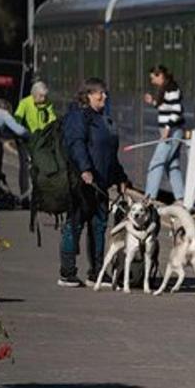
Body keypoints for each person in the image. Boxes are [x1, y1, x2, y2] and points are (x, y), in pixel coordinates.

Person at [59, 78, 129, 287]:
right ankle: (67, 273)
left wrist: (121, 178)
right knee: (75, 225)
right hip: (81, 182)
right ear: (88, 95)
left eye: (105, 93)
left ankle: (96, 272)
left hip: (100, 183)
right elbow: (76, 144)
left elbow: (109, 155)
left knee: (98, 227)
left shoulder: (103, 120)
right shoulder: (77, 117)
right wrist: (85, 169)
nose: (104, 97)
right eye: (100, 93)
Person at [143, 65, 185, 204]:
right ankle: (180, 198)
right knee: (172, 165)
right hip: (171, 131)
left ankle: (149, 197)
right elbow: (167, 108)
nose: (152, 81)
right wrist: (154, 102)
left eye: (153, 78)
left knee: (156, 163)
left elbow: (177, 111)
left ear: (160, 75)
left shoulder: (172, 90)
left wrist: (167, 128)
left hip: (171, 132)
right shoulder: (166, 90)